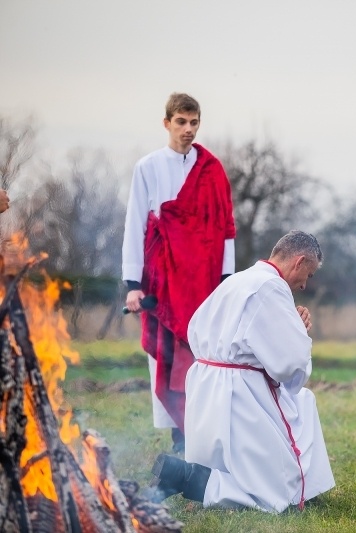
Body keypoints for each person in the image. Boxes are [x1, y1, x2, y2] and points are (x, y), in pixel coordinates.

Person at [145, 230, 335, 513]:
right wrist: (300, 331)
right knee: (272, 493)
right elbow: (290, 367)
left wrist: (289, 327)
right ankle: (187, 477)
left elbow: (207, 330)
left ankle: (190, 475)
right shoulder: (272, 287)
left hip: (206, 388)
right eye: (308, 275)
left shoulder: (237, 280)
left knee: (303, 401)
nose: (304, 285)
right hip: (241, 398)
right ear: (299, 261)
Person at [121, 93, 236, 453]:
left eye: (194, 122)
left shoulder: (212, 169)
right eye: (181, 122)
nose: (188, 129)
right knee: (168, 356)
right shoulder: (148, 166)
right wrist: (132, 285)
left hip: (203, 283)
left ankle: (202, 439)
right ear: (166, 122)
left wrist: (226, 281)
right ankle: (178, 441)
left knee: (203, 359)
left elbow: (225, 227)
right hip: (164, 283)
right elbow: (135, 224)